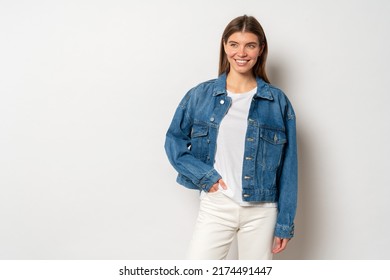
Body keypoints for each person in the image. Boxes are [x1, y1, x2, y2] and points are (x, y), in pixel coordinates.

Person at [164, 15, 297, 260]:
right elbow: (174, 141)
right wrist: (206, 177)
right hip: (217, 205)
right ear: (225, 46)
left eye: (250, 45)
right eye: (234, 44)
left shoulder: (277, 102)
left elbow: (289, 166)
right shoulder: (200, 95)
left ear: (261, 49)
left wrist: (284, 223)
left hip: (262, 210)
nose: (242, 52)